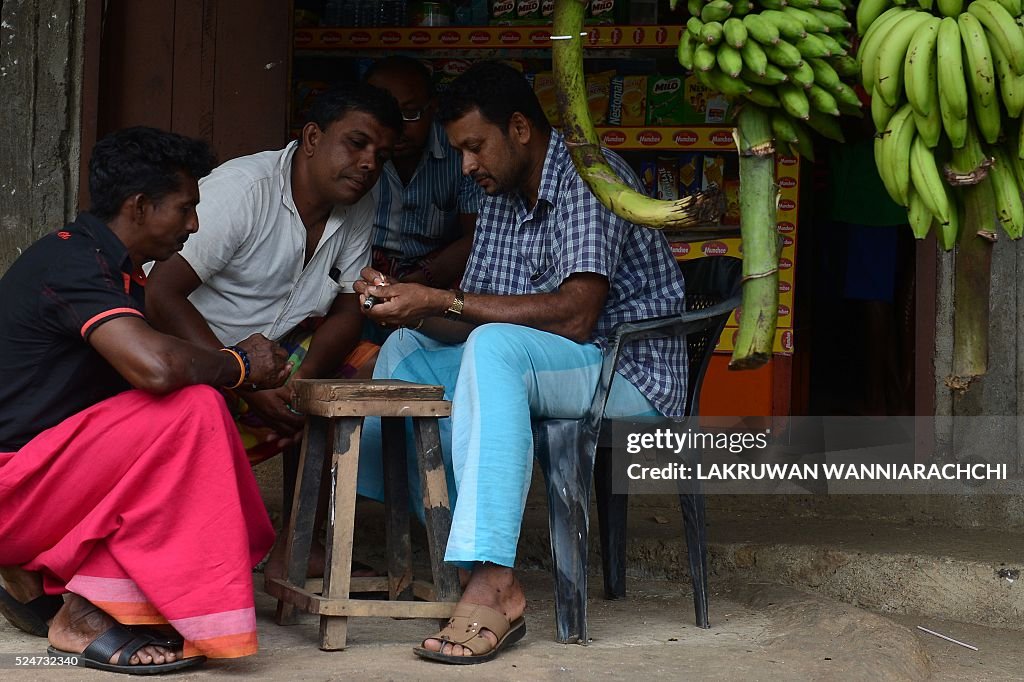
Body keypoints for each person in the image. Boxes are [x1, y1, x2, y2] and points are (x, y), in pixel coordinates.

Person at [352, 61, 689, 664]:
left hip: (625, 372)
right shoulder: (503, 196)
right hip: (551, 365)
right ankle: (441, 552)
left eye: (476, 147)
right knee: (408, 350)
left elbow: (578, 315)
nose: (467, 166)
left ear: (520, 129)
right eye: (458, 152)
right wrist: (408, 307)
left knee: (494, 347)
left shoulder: (589, 177)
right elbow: (471, 315)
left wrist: (444, 297)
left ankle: (495, 582)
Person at [0, 127, 291, 674]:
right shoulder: (71, 265)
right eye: (185, 209)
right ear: (139, 206)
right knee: (193, 408)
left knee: (190, 410)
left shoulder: (113, 271)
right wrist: (239, 365)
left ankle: (65, 584)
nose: (195, 224)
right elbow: (157, 369)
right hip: (13, 489)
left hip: (41, 481)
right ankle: (82, 614)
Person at [145, 82, 402, 463]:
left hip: (271, 362)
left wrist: (303, 383)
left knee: (377, 362)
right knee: (201, 406)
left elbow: (349, 308)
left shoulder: (357, 201)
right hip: (196, 355)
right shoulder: (245, 190)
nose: (369, 164)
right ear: (313, 137)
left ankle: (308, 516)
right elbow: (158, 294)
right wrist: (241, 377)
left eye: (381, 156)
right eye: (357, 143)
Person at [362, 56, 482, 295]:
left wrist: (420, 282)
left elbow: (476, 237)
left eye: (410, 113)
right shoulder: (355, 153)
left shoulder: (459, 153)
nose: (398, 129)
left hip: (439, 271)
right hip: (365, 267)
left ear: (433, 108)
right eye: (385, 115)